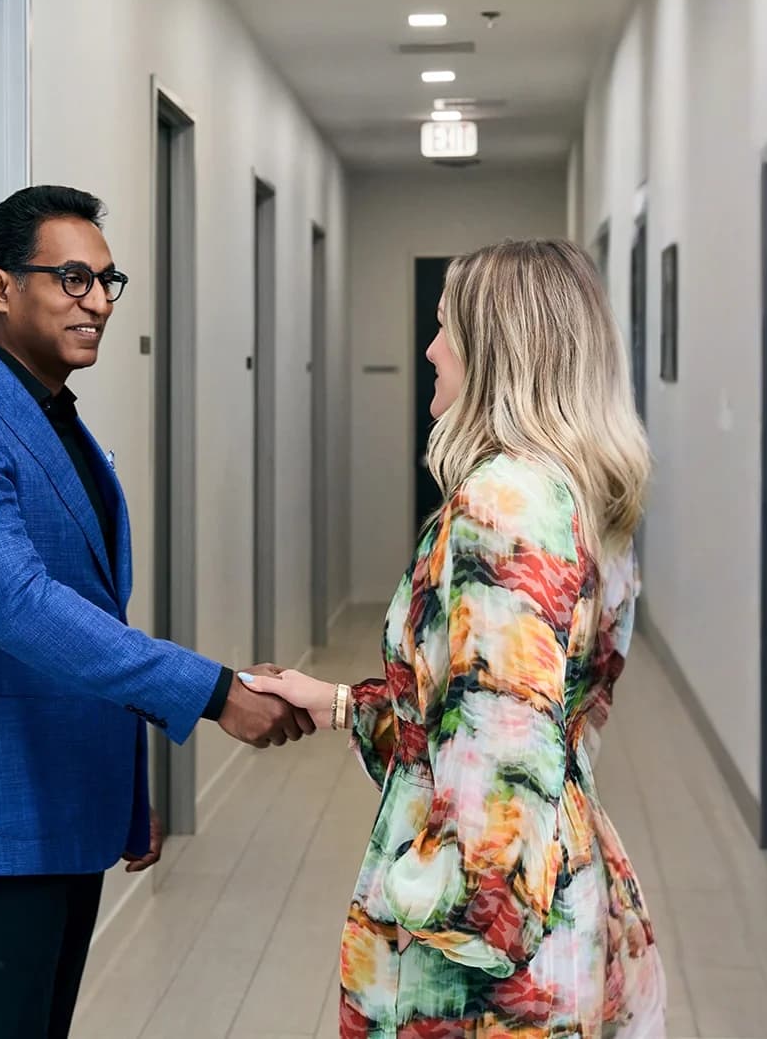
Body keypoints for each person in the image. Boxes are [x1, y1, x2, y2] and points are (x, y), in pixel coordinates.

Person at [0, 184, 312, 1038]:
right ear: (0, 286)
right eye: (71, 278)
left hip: (66, 800)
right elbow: (23, 608)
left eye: (107, 282)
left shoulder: (57, 418)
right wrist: (216, 689)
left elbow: (92, 619)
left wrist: (123, 790)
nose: (96, 303)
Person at [245, 239, 667, 1037]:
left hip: (485, 964)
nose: (430, 349)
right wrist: (337, 703)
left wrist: (428, 917)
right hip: (554, 886)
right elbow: (493, 709)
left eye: (445, 329)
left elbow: (500, 761)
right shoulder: (581, 492)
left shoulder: (503, 505)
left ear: (498, 350)